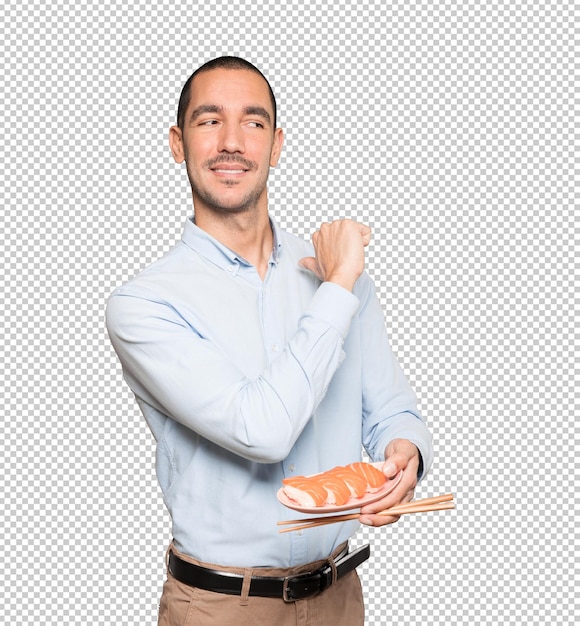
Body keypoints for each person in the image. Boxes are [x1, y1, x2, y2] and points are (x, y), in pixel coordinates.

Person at [106, 56, 433, 626]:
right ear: (177, 143)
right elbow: (263, 429)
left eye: (253, 123)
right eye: (210, 121)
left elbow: (392, 412)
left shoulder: (337, 277)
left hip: (339, 594)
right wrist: (338, 286)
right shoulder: (144, 305)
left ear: (277, 145)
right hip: (220, 607)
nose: (232, 142)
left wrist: (406, 457)